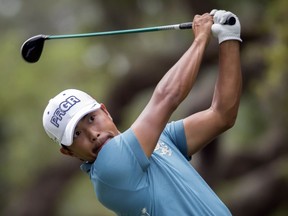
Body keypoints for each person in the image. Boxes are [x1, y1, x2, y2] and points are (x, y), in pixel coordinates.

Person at [42, 9, 242, 216]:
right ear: (69, 152)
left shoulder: (160, 139)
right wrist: (200, 40)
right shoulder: (108, 170)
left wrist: (229, 37)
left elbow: (222, 115)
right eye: (76, 134)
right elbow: (166, 98)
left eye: (91, 119)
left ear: (105, 111)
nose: (93, 134)